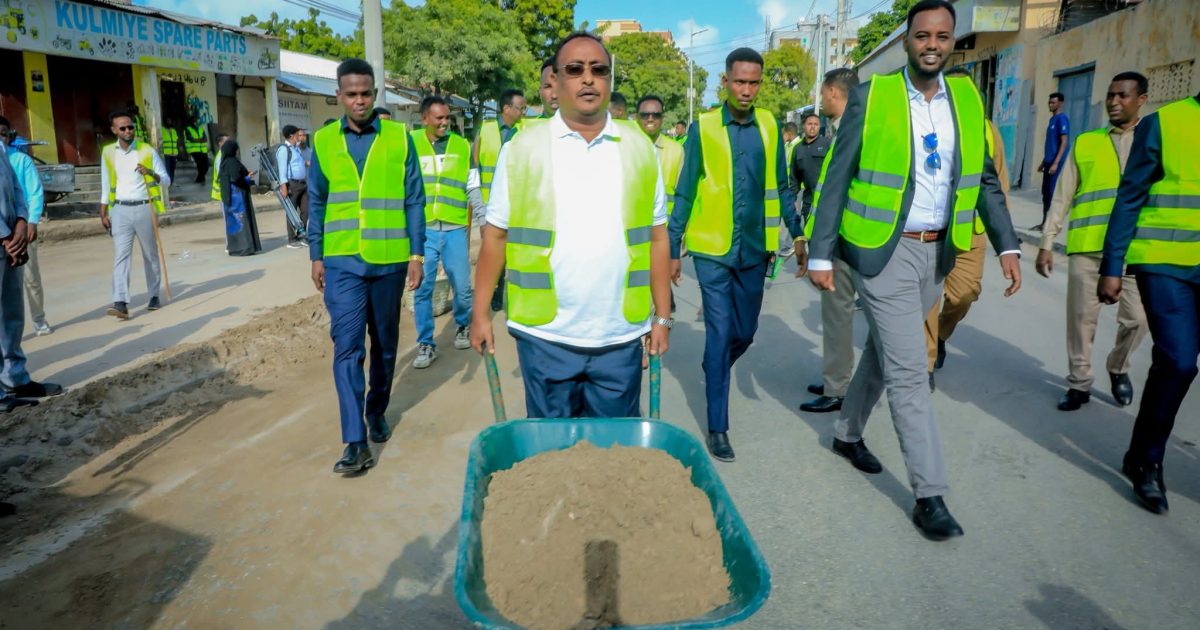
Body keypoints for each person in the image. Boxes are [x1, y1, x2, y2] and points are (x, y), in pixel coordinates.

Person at [807, 0, 1021, 540]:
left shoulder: (969, 99)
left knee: (884, 352)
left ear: (952, 41)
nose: (932, 44)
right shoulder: (872, 95)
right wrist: (819, 251)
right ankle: (930, 495)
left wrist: (1007, 246)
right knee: (909, 371)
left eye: (942, 36)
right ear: (906, 41)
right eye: (921, 35)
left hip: (939, 251)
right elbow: (836, 175)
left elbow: (985, 181)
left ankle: (846, 432)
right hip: (883, 251)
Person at [471, 32, 671, 418]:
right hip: (545, 337)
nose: (588, 78)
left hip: (620, 336)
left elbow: (657, 237)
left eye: (599, 70)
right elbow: (495, 237)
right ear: (556, 82)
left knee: (612, 457)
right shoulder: (522, 149)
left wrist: (661, 317)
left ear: (610, 80)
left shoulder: (639, 148)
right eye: (575, 69)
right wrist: (480, 314)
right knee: (551, 458)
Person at [670, 47, 802, 462]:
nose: (746, 90)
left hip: (754, 250)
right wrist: (674, 245)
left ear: (760, 83)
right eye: (739, 82)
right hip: (711, 252)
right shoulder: (703, 127)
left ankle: (715, 369)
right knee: (720, 332)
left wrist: (798, 235)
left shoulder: (769, 125)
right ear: (725, 82)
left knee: (745, 333)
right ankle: (718, 426)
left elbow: (781, 187)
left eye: (753, 82)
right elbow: (686, 188)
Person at [308, 58, 425, 475]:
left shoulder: (399, 137)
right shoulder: (322, 141)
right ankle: (354, 441)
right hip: (342, 262)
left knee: (387, 345)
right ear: (338, 96)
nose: (359, 101)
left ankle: (377, 409)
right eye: (351, 94)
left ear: (375, 95)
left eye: (365, 93)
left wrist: (416, 254)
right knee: (348, 347)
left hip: (391, 260)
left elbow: (414, 198)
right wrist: (316, 254)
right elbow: (317, 201)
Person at [1098, 91, 1200, 515]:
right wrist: (1113, 264)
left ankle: (1138, 452)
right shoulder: (1168, 123)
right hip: (1165, 262)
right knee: (1178, 361)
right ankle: (1149, 462)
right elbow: (1131, 195)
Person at [1035, 72, 1150, 411]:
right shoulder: (1086, 141)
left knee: (1138, 319)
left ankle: (1118, 367)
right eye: (1110, 95)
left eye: (1123, 96)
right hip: (1088, 248)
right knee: (1081, 321)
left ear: (1141, 99)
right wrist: (1047, 239)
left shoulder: (1153, 140)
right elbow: (1062, 194)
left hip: (1136, 249)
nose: (1114, 102)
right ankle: (1079, 383)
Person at [923, 67, 1012, 383]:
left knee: (964, 294)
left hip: (970, 231)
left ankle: (942, 335)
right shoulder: (927, 125)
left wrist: (1005, 240)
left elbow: (998, 183)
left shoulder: (987, 130)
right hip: (933, 230)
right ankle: (927, 363)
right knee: (930, 297)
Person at [795, 67, 860, 414]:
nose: (821, 101)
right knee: (837, 317)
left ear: (834, 92)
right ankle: (837, 378)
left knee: (839, 316)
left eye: (823, 93)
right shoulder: (845, 127)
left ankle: (840, 388)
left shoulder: (851, 128)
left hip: (846, 239)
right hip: (843, 237)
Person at [411, 96, 474, 368]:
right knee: (422, 288)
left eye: (447, 118)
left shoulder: (462, 145)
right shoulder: (410, 143)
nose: (444, 123)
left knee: (461, 285)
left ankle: (462, 325)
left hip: (454, 227)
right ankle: (426, 343)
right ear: (424, 118)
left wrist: (481, 216)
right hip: (423, 230)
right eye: (439, 118)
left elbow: (472, 184)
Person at [0, 137, 60, 408]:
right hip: (5, 239)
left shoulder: (3, 150)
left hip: (12, 237)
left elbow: (16, 190)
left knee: (11, 314)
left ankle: (15, 379)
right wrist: (6, 237)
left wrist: (22, 222)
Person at [99, 110, 170, 320]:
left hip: (144, 207)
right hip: (119, 209)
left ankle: (154, 295)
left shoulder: (147, 151)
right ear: (114, 130)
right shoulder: (108, 153)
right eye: (123, 128)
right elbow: (105, 183)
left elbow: (165, 179)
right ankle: (120, 302)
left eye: (131, 127)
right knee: (121, 256)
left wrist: (151, 173)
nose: (128, 131)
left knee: (150, 254)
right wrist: (102, 211)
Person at [469, 88, 525, 312]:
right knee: (494, 251)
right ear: (506, 109)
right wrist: (480, 209)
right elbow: (474, 168)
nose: (524, 112)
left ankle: (515, 296)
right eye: (521, 108)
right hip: (490, 206)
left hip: (518, 203)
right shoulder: (485, 129)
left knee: (517, 252)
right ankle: (495, 292)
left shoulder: (525, 131)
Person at [0, 117, 51, 336]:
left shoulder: (20, 160)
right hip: (2, 234)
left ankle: (39, 319)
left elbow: (33, 193)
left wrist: (31, 221)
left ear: (9, 136)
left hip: (22, 230)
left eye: (3, 133)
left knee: (30, 277)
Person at [217, 140, 262, 257]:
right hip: (237, 196)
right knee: (242, 220)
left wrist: (246, 174)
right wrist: (247, 178)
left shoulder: (225, 163)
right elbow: (236, 178)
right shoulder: (232, 162)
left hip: (229, 197)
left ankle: (235, 248)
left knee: (234, 221)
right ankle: (245, 248)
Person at [1035, 92, 1070, 230]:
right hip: (1048, 163)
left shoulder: (1062, 119)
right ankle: (1044, 223)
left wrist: (1056, 162)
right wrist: (1044, 162)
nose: (1051, 105)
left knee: (1053, 194)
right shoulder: (1052, 120)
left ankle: (1052, 225)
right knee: (1045, 194)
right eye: (1050, 102)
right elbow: (1051, 143)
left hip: (1056, 164)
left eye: (1053, 102)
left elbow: (1064, 141)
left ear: (1060, 103)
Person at [276, 125, 309, 249]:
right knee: (291, 211)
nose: (299, 137)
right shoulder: (284, 150)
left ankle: (304, 235)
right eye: (297, 134)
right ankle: (292, 239)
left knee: (306, 210)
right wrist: (283, 186)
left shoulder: (296, 149)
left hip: (302, 183)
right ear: (291, 135)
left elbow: (298, 163)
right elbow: (282, 169)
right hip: (292, 184)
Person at [185, 117, 209, 183]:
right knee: (200, 164)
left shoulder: (201, 129)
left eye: (196, 121)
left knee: (206, 165)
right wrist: (201, 140)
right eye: (194, 121)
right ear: (191, 122)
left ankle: (199, 178)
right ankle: (202, 178)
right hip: (194, 150)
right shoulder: (188, 129)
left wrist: (198, 140)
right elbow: (191, 139)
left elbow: (205, 139)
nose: (195, 123)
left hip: (203, 150)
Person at [160, 117, 180, 182]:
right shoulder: (161, 130)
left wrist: (179, 148)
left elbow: (176, 140)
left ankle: (171, 181)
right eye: (167, 121)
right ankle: (168, 182)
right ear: (164, 122)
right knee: (167, 169)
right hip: (166, 153)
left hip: (174, 153)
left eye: (170, 121)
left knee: (172, 168)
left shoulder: (173, 130)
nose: (169, 122)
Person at [210, 133, 229, 202]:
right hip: (223, 192)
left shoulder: (225, 155)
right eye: (227, 142)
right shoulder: (220, 157)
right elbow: (221, 175)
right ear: (220, 143)